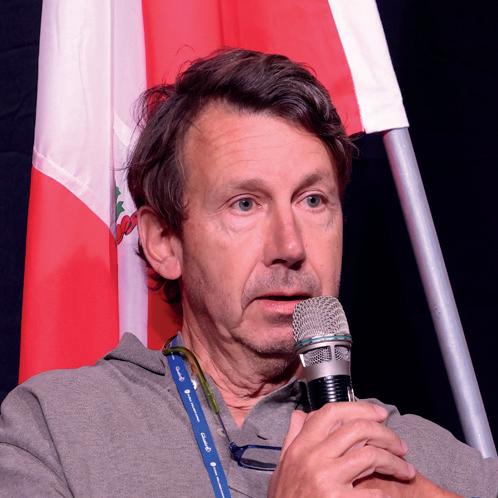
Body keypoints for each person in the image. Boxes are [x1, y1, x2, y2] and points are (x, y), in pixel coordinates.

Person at [0, 49, 497, 497]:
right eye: (245, 203)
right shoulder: (54, 429)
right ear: (164, 242)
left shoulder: (433, 464)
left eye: (312, 200)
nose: (290, 247)